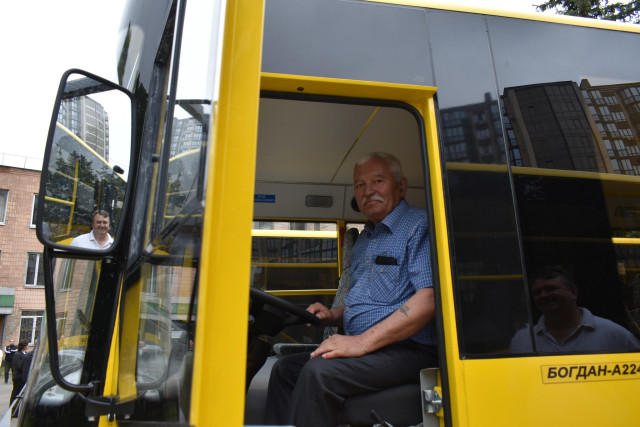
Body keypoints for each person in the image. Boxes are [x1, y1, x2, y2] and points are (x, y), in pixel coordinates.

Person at [264, 152, 438, 426]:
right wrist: (333, 315)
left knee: (319, 372)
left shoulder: (419, 225)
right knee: (285, 369)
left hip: (409, 349)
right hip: (374, 350)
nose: (368, 191)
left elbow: (429, 299)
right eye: (360, 185)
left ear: (401, 186)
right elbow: (366, 299)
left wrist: (360, 342)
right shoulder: (365, 239)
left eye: (378, 181)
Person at [510, 266, 640, 353]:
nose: (543, 295)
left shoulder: (612, 334)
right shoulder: (522, 339)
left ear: (573, 292)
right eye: (537, 292)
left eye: (550, 289)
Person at [10, 340, 30, 406]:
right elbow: (19, 366)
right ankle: (13, 407)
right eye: (27, 345)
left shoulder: (25, 353)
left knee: (20, 393)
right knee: (16, 393)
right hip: (18, 377)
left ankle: (18, 406)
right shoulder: (17, 354)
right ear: (23, 346)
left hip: (23, 377)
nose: (28, 346)